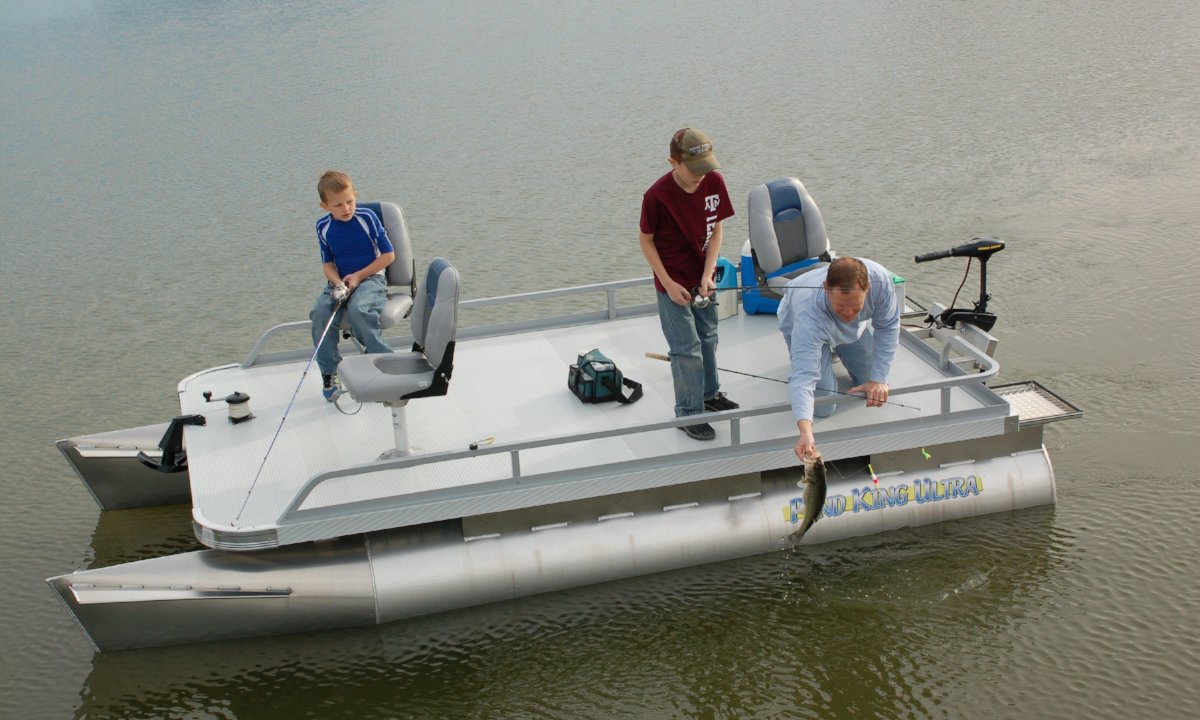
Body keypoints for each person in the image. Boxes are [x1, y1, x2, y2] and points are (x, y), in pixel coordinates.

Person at [638, 127, 738, 441]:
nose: (700, 176)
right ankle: (688, 413)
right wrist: (667, 282)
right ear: (673, 162)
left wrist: (709, 275)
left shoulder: (715, 182)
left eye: (705, 168)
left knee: (708, 338)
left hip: (702, 278)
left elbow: (717, 229)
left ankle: (709, 395)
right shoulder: (656, 197)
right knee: (686, 350)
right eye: (694, 170)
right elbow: (645, 241)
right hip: (672, 284)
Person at [778, 256, 901, 459]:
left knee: (872, 382)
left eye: (855, 306)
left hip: (853, 331)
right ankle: (825, 349)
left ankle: (839, 348)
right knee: (824, 406)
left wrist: (879, 380)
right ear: (827, 288)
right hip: (804, 322)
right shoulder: (808, 314)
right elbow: (804, 377)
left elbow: (888, 326)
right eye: (841, 306)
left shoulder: (882, 281)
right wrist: (806, 432)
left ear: (868, 288)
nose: (847, 313)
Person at [310, 171, 396, 400]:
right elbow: (327, 265)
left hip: (371, 278)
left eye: (350, 201)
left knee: (359, 310)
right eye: (338, 205)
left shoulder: (367, 218)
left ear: (355, 195)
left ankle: (384, 364)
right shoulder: (322, 227)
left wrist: (358, 276)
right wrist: (338, 283)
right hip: (339, 282)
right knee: (320, 314)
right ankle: (330, 373)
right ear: (324, 206)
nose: (346, 208)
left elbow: (388, 256)